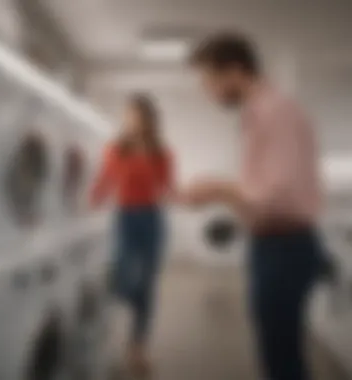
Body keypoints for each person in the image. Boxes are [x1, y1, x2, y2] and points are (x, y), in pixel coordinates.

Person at [182, 33, 324, 380]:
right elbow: (264, 188)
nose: (208, 91)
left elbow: (278, 194)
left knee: (282, 361)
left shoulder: (274, 112)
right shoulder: (262, 113)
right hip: (275, 245)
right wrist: (225, 190)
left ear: (234, 70)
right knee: (278, 354)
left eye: (209, 80)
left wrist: (217, 188)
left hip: (285, 246)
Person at [90, 93, 173, 376]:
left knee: (147, 285)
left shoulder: (161, 152)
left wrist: (186, 196)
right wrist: (90, 201)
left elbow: (167, 187)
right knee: (124, 279)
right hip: (125, 218)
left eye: (134, 114)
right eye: (127, 115)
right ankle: (108, 323)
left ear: (148, 119)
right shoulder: (115, 149)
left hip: (152, 219)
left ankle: (138, 347)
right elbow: (105, 180)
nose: (129, 120)